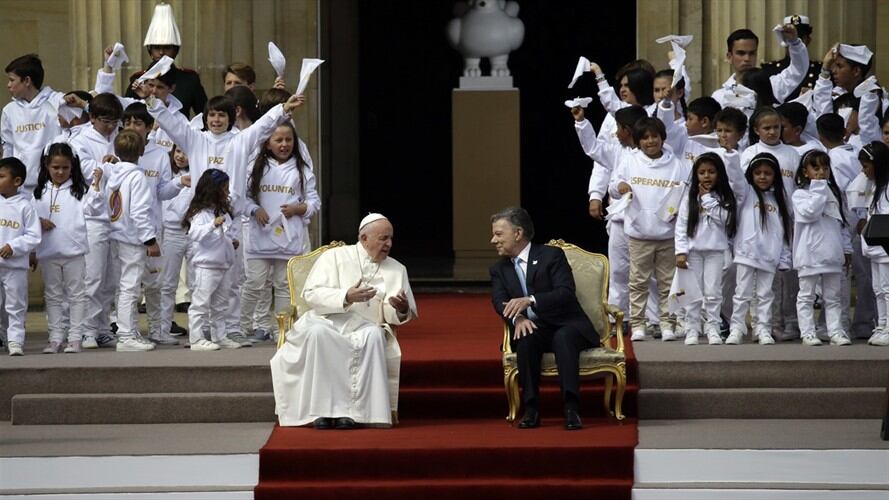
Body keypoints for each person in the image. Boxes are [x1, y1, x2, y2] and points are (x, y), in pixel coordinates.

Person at [270, 213, 417, 429]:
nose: (389, 244)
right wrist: (345, 296)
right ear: (364, 238)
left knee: (374, 336)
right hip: (326, 320)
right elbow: (311, 294)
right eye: (383, 238)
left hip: (366, 326)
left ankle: (357, 413)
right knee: (318, 334)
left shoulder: (397, 269)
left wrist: (401, 309)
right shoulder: (334, 257)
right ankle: (321, 412)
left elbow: (393, 313)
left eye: (390, 238)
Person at [490, 207, 595, 430]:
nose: (493, 240)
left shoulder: (551, 255)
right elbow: (499, 302)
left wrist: (531, 300)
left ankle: (571, 408)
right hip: (536, 327)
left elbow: (565, 292)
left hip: (568, 323)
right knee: (526, 337)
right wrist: (518, 319)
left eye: (498, 234)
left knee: (563, 338)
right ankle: (531, 409)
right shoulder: (499, 269)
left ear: (518, 233)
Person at [240, 121, 320, 343]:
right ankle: (240, 327)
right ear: (267, 143)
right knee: (254, 283)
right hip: (260, 236)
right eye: (278, 140)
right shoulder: (254, 168)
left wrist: (298, 209)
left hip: (288, 237)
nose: (284, 144)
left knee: (284, 285)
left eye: (288, 140)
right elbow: (242, 198)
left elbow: (314, 201)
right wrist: (254, 209)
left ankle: (281, 328)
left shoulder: (302, 170)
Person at [87, 130, 160, 352]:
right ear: (142, 151)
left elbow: (109, 169)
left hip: (116, 235)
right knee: (130, 288)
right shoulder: (137, 177)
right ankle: (127, 335)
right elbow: (139, 212)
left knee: (123, 287)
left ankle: (128, 331)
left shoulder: (112, 173)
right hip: (132, 238)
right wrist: (150, 240)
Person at [725, 152, 793, 345]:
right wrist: (730, 153)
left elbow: (784, 232)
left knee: (765, 295)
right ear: (751, 175)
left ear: (775, 176)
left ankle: (763, 328)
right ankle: (736, 329)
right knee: (742, 293)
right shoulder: (746, 193)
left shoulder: (780, 200)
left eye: (768, 173)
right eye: (758, 173)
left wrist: (785, 258)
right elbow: (736, 176)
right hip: (746, 254)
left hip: (769, 257)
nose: (762, 177)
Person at [31, 142, 91, 353]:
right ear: (47, 166)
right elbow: (28, 222)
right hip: (48, 253)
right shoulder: (38, 193)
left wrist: (98, 187)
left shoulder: (81, 191)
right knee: (53, 296)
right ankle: (55, 337)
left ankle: (75, 337)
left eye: (65, 167)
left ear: (72, 167)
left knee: (76, 295)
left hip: (74, 253)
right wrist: (38, 224)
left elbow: (95, 210)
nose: (60, 172)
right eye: (55, 167)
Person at [675, 152, 737, 345]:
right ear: (696, 175)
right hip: (693, 253)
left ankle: (713, 328)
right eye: (702, 172)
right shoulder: (690, 197)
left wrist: (708, 199)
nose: (707, 176)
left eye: (711, 172)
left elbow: (726, 220)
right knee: (693, 292)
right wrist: (681, 251)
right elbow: (681, 225)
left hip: (715, 252)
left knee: (713, 292)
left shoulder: (724, 196)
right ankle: (692, 328)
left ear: (719, 174)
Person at [792, 150, 852, 346]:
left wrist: (846, 249)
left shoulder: (834, 193)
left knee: (833, 297)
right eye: (815, 168)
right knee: (806, 296)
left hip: (832, 253)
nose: (820, 172)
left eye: (825, 168)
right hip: (809, 254)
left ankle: (835, 331)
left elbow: (841, 223)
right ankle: (808, 333)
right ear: (805, 172)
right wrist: (818, 187)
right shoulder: (800, 195)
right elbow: (811, 212)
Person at [183, 169, 240, 351]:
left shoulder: (223, 212)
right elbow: (195, 234)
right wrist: (212, 225)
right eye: (224, 188)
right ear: (213, 189)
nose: (228, 192)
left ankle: (220, 335)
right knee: (200, 303)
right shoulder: (200, 213)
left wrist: (231, 242)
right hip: (206, 267)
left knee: (220, 305)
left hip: (223, 265)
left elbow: (226, 234)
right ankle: (196, 338)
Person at [125, 3, 207, 118]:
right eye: (156, 48)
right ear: (150, 50)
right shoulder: (138, 79)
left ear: (175, 50)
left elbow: (204, 114)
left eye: (167, 48)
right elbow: (127, 113)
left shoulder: (189, 80)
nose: (161, 52)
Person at [1, 54, 66, 192]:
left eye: (12, 80)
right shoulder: (9, 111)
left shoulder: (57, 102)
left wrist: (108, 67)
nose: (8, 85)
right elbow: (8, 148)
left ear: (27, 81)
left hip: (52, 185)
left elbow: (95, 107)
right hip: (20, 187)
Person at [0, 157, 41, 355]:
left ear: (17, 181)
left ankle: (15, 340)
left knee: (15, 304)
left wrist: (13, 247)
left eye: (1, 176)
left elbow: (34, 236)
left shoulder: (25, 206)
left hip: (15, 266)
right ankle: (2, 337)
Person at [860, 141, 889, 346]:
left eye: (866, 166)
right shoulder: (875, 187)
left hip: (886, 248)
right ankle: (882, 324)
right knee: (878, 288)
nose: (864, 171)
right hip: (875, 247)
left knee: (887, 288)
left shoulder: (887, 189)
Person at [761, 15, 823, 101]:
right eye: (788, 37)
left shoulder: (820, 70)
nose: (793, 39)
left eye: (799, 37)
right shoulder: (769, 70)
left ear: (808, 40)